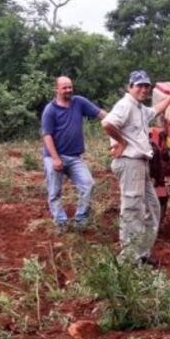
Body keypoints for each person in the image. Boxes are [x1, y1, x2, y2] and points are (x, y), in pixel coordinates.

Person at [101, 70, 170, 265]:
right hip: (129, 162)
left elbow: (156, 110)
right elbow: (107, 123)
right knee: (132, 209)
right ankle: (129, 260)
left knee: (153, 207)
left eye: (146, 86)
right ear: (130, 87)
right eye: (140, 86)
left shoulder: (140, 108)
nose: (144, 89)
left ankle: (142, 253)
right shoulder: (125, 105)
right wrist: (121, 142)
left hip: (141, 164)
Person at [40, 76, 107, 229]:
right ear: (56, 89)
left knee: (88, 185)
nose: (68, 90)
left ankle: (80, 219)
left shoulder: (79, 102)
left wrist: (116, 120)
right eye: (64, 88)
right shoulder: (50, 110)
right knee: (54, 193)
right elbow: (47, 136)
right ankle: (61, 223)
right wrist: (56, 159)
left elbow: (99, 114)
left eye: (70, 87)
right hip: (54, 156)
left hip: (74, 157)